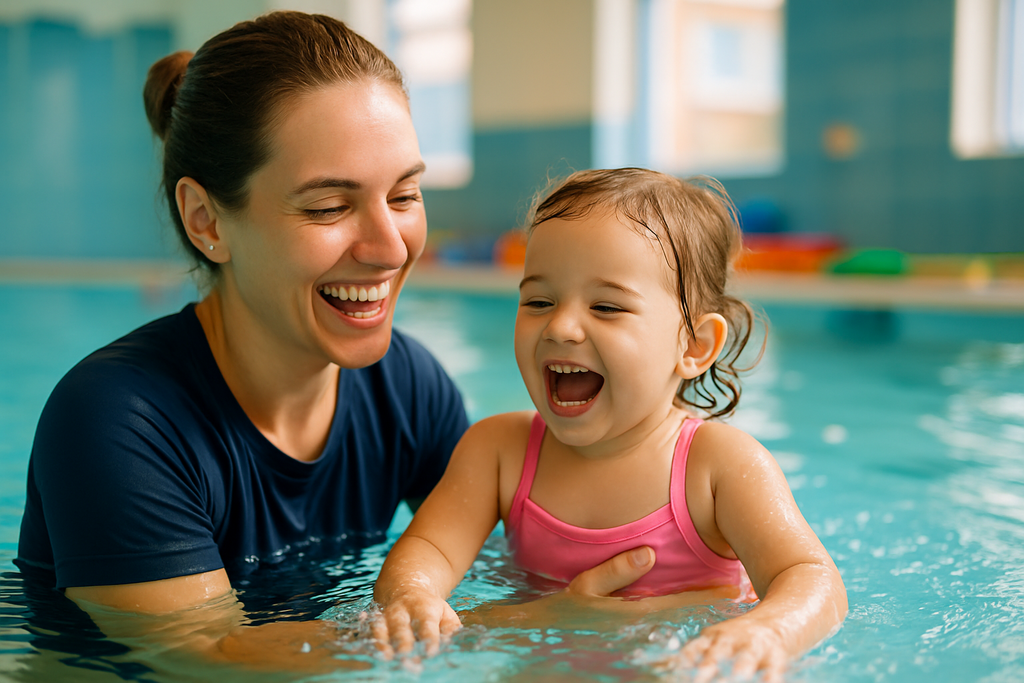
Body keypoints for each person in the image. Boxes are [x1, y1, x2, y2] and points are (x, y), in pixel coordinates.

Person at [13, 12, 666, 672]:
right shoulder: (117, 419)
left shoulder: (406, 387)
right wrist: (554, 618)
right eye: (329, 206)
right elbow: (209, 659)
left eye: (406, 193)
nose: (390, 248)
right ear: (207, 221)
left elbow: (511, 562)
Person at [373, 168, 848, 680]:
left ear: (694, 346)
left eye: (606, 306)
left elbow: (811, 578)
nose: (561, 326)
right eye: (539, 301)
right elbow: (428, 549)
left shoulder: (719, 468)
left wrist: (768, 628)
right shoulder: (498, 451)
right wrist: (413, 597)